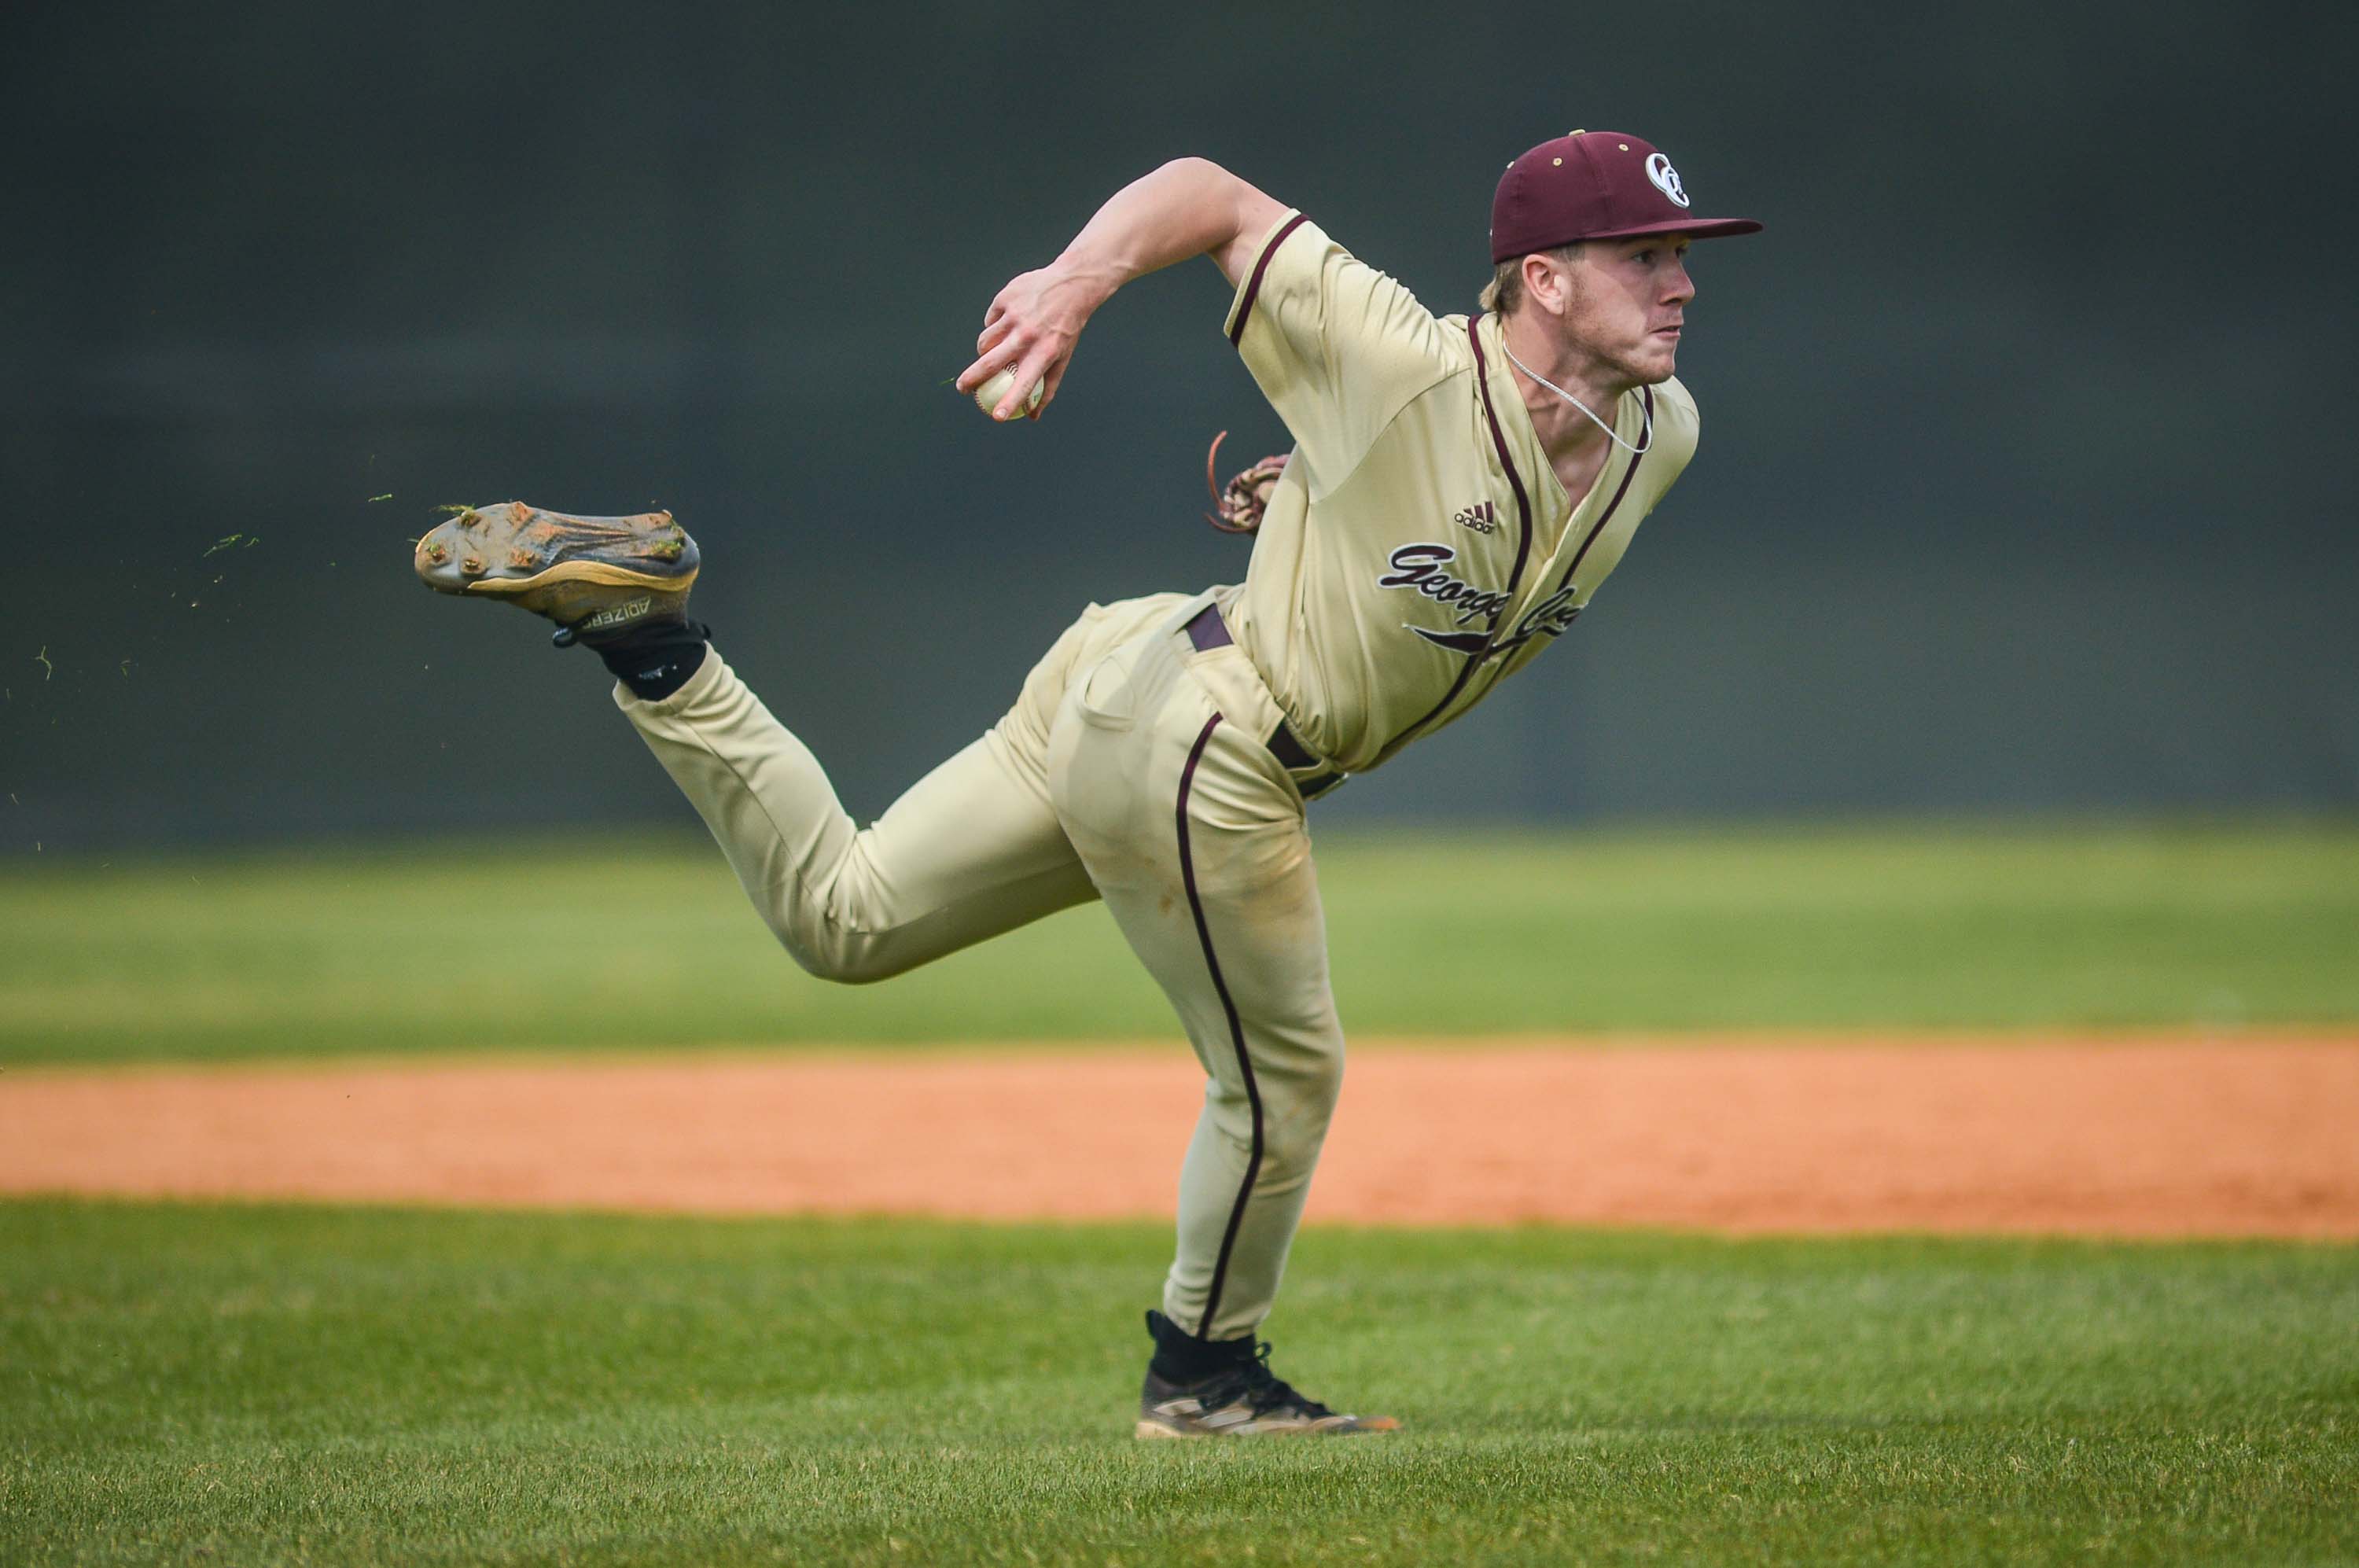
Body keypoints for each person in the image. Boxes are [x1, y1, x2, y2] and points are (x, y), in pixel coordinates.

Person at [414, 131, 1759, 1438]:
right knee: (1283, 1080)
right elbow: (1209, 192)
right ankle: (1206, 1375)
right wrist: (1073, 284)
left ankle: (651, 641)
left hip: (1142, 683)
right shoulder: (1403, 362)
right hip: (1211, 743)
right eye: (1645, 255)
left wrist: (1322, 492)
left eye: (1683, 254)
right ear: (1545, 278)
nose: (1682, 284)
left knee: (846, 919)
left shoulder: (1665, 432)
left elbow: (1450, 518)